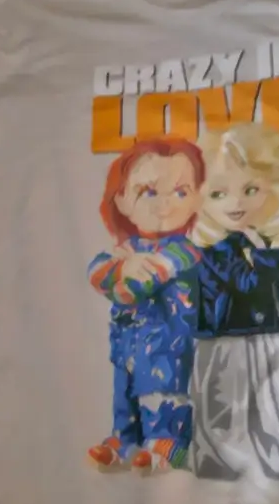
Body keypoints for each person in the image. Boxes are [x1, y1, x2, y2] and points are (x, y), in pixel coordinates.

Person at [190, 123, 279, 481]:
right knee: (224, 398)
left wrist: (265, 254)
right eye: (218, 194)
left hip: (271, 325)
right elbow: (246, 281)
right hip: (228, 331)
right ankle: (220, 459)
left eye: (250, 190)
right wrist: (268, 259)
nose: (236, 204)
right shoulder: (215, 249)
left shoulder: (261, 236)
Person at [87, 137, 203, 473]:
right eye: (149, 192)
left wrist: (125, 278)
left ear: (197, 198)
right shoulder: (126, 249)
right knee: (124, 393)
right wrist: (121, 269)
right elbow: (96, 271)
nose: (164, 204)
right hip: (126, 342)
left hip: (168, 344)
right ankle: (123, 441)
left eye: (179, 192)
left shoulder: (184, 251)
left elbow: (144, 282)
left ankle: (168, 445)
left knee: (162, 395)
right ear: (122, 200)